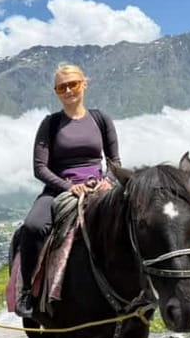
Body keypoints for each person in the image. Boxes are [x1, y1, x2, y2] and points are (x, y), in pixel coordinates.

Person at [15, 64, 121, 318]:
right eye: (62, 87)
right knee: (33, 227)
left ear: (84, 84)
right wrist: (69, 187)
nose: (69, 90)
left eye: (73, 84)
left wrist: (108, 180)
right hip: (59, 189)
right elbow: (40, 168)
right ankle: (27, 292)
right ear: (56, 92)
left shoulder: (101, 119)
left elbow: (114, 161)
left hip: (100, 187)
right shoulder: (51, 124)